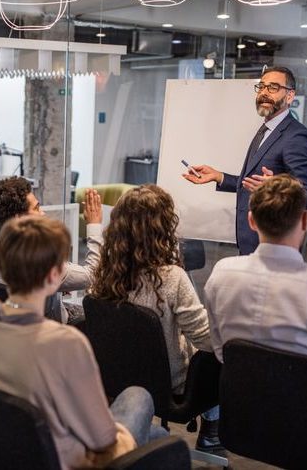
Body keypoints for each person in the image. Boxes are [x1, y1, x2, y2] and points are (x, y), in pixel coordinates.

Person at [0, 215, 168, 469]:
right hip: (65, 458)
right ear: (55, 275)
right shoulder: (66, 342)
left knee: (159, 438)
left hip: (8, 449)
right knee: (140, 397)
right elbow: (102, 438)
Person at [204, 174, 307, 404]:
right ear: (305, 221)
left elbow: (222, 353)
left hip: (241, 419)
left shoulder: (221, 275)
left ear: (251, 221)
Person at [89, 184, 220, 453]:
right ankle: (212, 429)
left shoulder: (103, 272)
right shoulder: (172, 277)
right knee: (221, 350)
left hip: (116, 376)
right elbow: (207, 339)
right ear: (163, 228)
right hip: (169, 383)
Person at [183, 66, 307, 255]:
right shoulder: (265, 130)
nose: (264, 93)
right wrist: (219, 176)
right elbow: (252, 182)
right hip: (250, 241)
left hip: (273, 245)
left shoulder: (297, 136)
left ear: (289, 96)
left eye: (273, 87)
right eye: (261, 87)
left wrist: (276, 188)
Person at [0, 176, 103, 322]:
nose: (43, 213)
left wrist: (55, 288)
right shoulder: (41, 261)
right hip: (47, 332)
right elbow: (93, 275)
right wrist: (94, 225)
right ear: (20, 219)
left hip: (5, 330)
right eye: (37, 208)